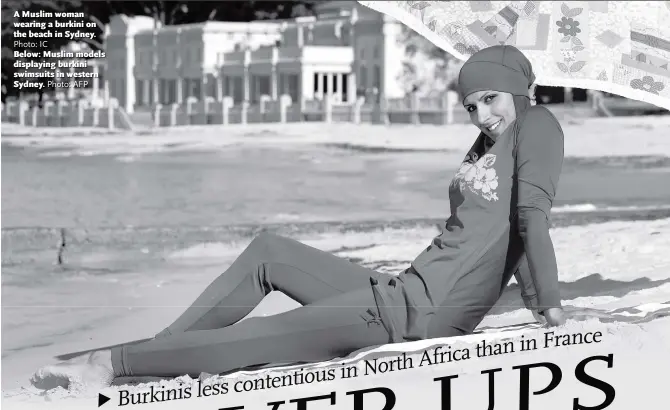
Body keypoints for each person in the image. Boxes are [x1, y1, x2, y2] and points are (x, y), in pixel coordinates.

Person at [30, 45, 569, 389]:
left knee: (266, 336)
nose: (481, 114)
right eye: (471, 105)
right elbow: (500, 237)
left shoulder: (539, 124)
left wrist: (549, 306)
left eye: (491, 99)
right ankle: (161, 349)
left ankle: (118, 364)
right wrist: (526, 292)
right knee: (270, 251)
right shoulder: (488, 142)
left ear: (520, 92)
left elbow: (530, 221)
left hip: (416, 317)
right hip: (401, 289)